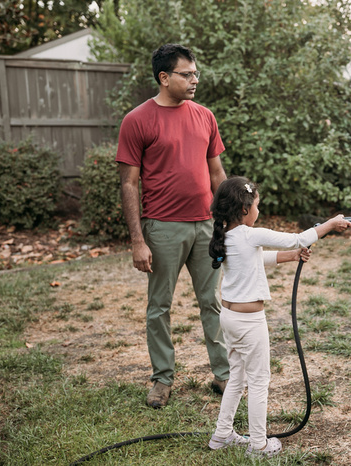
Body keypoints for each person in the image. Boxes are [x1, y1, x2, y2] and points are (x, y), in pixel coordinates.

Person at [116, 43, 229, 409]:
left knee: (212, 303)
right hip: (162, 228)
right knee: (159, 306)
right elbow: (129, 183)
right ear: (164, 78)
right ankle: (162, 380)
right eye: (187, 74)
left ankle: (223, 376)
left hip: (205, 228)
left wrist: (227, 220)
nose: (195, 79)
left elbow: (216, 172)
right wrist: (138, 239)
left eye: (196, 72)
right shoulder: (137, 120)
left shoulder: (205, 116)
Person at [206, 176, 351, 457]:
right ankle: (258, 445)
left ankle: (222, 435)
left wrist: (291, 257)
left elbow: (255, 259)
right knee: (259, 380)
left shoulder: (228, 236)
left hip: (229, 318)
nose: (259, 211)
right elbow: (298, 237)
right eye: (257, 205)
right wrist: (330, 224)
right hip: (250, 323)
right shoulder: (251, 234)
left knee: (237, 376)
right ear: (245, 209)